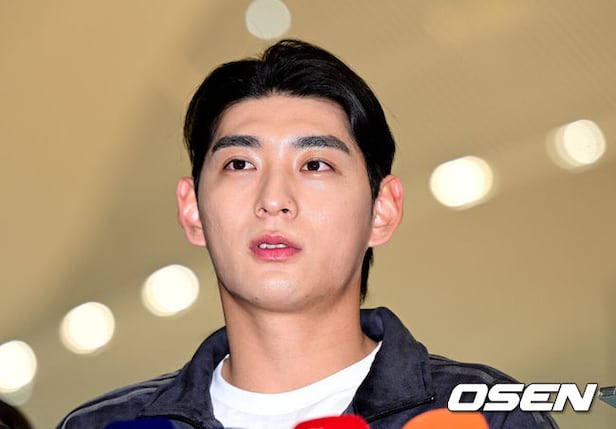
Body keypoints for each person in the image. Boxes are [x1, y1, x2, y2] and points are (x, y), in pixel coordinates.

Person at [57, 39, 558, 428]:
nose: (274, 199)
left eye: (315, 164)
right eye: (240, 164)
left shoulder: (485, 416)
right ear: (192, 210)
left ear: (382, 209)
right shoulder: (101, 426)